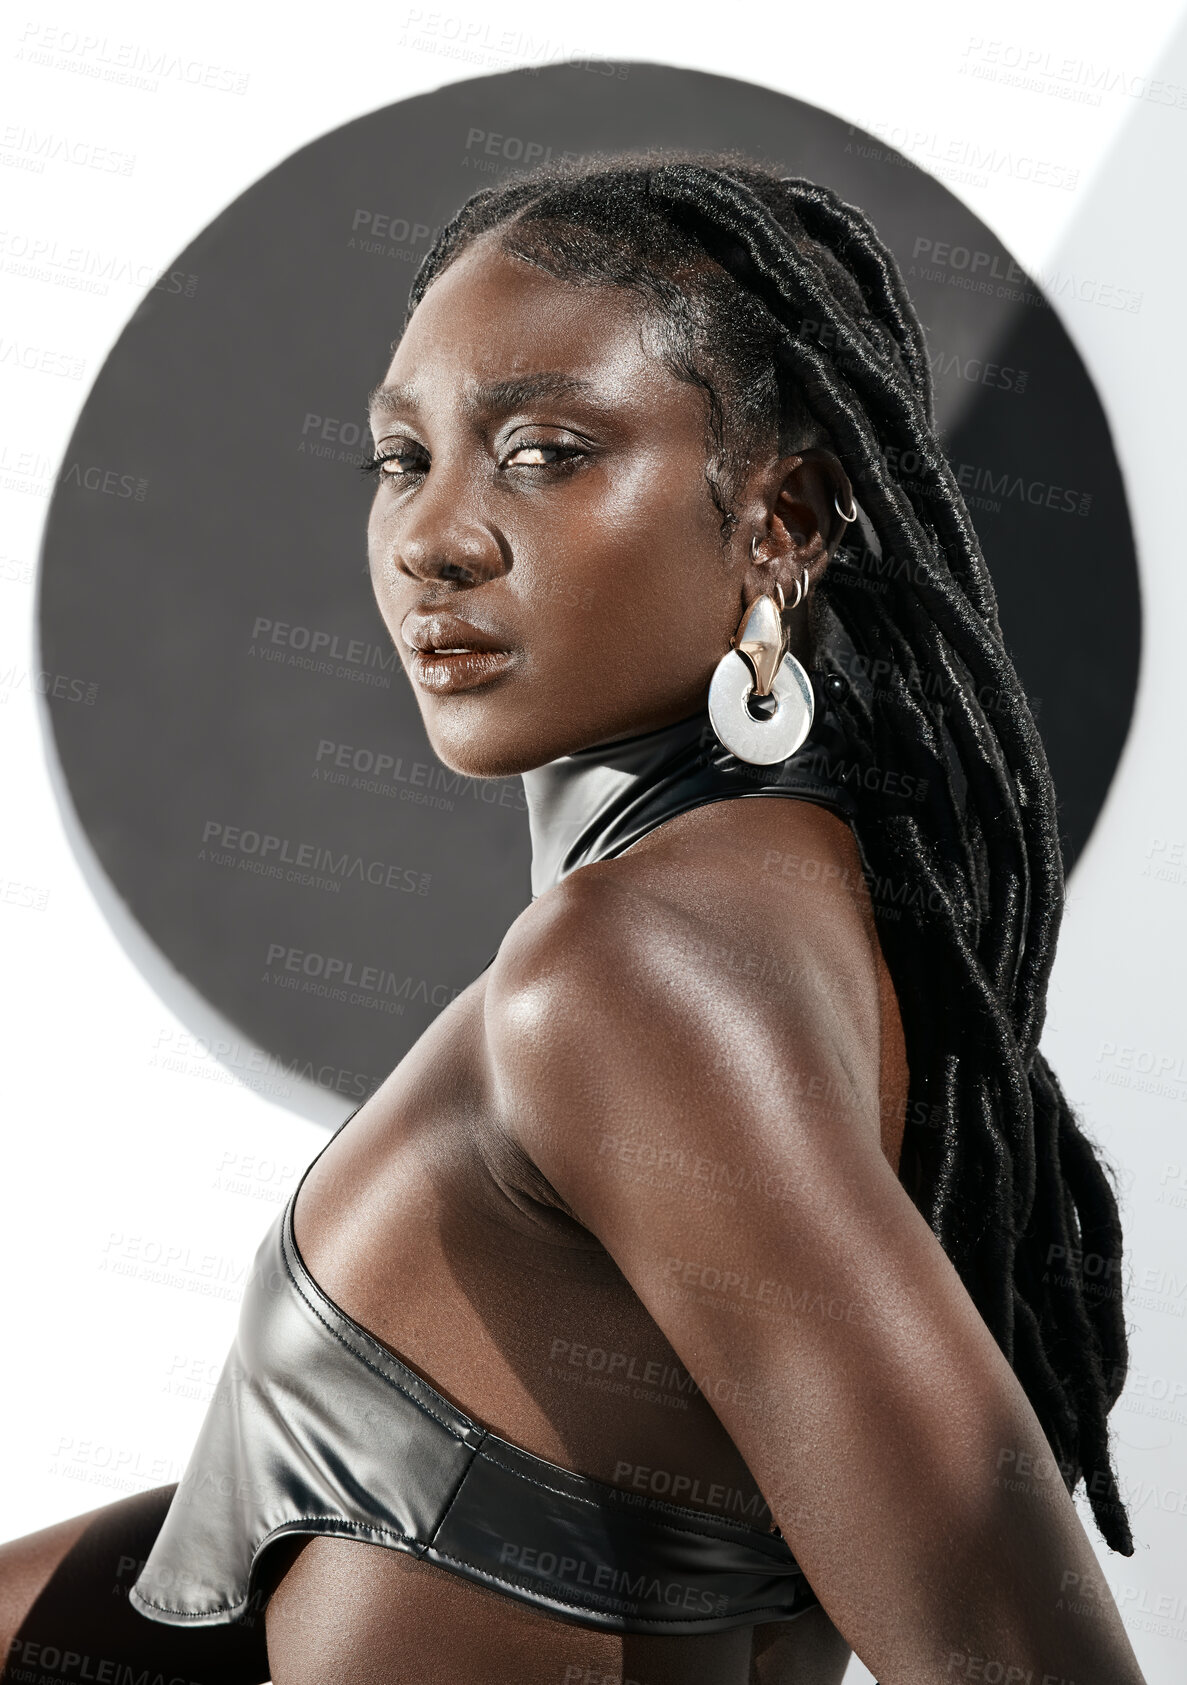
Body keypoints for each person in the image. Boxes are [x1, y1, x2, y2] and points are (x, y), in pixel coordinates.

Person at [0, 153, 1148, 1685]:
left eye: (544, 450)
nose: (436, 537)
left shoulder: (636, 967)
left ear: (782, 525)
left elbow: (1015, 1645)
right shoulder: (760, 913)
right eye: (401, 459)